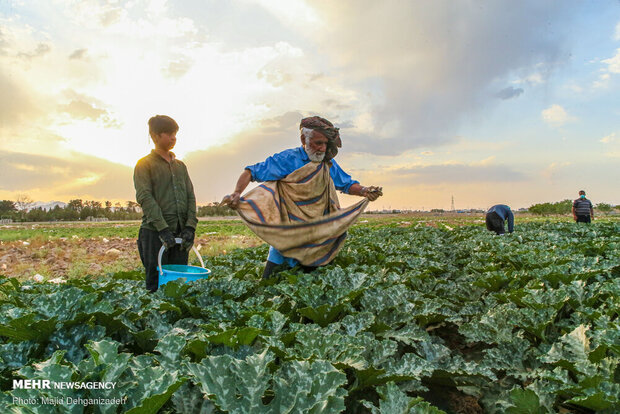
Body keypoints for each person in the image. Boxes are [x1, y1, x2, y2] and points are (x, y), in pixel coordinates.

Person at [223, 115, 382, 278]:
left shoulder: (326, 164)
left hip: (316, 240)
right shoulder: (288, 159)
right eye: (318, 143)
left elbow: (346, 183)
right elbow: (251, 172)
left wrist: (364, 191)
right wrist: (237, 193)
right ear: (303, 140)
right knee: (268, 285)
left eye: (325, 144)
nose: (322, 148)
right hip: (288, 237)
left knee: (315, 289)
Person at [133, 115, 197, 292]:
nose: (173, 137)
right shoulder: (144, 165)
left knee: (178, 284)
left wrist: (190, 227)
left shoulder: (181, 166)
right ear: (155, 136)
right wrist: (162, 229)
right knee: (155, 283)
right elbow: (145, 197)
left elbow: (190, 196)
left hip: (180, 233)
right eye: (168, 133)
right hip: (154, 233)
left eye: (175, 133)